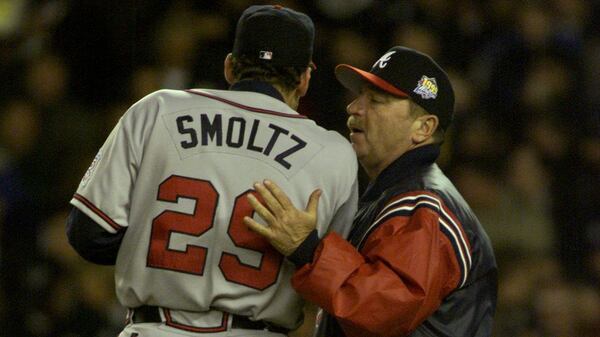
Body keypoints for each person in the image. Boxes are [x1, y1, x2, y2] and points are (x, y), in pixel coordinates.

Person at [65, 5, 359, 337]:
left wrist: (158, 246)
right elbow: (334, 284)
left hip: (155, 328)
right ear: (305, 79)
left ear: (230, 66)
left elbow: (88, 235)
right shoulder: (335, 153)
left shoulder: (155, 110)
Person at [245, 46, 498, 337]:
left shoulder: (424, 207)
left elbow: (383, 311)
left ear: (423, 128)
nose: (354, 108)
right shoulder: (395, 194)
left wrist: (308, 250)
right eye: (359, 96)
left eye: (376, 100)